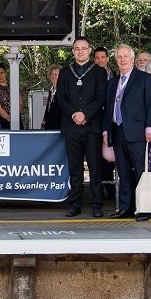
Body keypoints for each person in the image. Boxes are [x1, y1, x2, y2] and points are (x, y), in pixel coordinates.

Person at [103, 44, 151, 222]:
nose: (122, 59)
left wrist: (150, 128)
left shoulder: (144, 79)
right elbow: (107, 109)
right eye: (119, 56)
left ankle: (143, 209)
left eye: (125, 56)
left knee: (140, 172)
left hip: (138, 133)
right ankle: (126, 208)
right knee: (123, 172)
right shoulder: (112, 83)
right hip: (118, 131)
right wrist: (106, 129)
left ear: (133, 59)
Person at [56, 38, 106, 218]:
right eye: (76, 49)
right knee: (75, 168)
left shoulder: (99, 72)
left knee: (95, 167)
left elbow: (101, 97)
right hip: (71, 127)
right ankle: (75, 204)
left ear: (89, 50)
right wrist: (75, 115)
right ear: (72, 51)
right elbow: (60, 98)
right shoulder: (64, 72)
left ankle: (96, 204)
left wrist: (85, 114)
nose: (80, 51)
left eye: (83, 48)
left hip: (91, 127)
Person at [94, 46, 116, 199]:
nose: (100, 60)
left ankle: (110, 187)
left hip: (111, 121)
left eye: (103, 57)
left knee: (110, 155)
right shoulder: (91, 76)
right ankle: (98, 188)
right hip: (95, 120)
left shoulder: (116, 78)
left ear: (107, 59)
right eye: (97, 58)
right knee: (96, 155)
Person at [0, 62, 23, 129]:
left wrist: (15, 116)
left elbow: (20, 103)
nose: (0, 76)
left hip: (16, 119)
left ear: (6, 73)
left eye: (2, 73)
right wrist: (9, 118)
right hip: (1, 121)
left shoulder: (14, 87)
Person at [41, 64, 62, 130]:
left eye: (56, 75)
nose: (53, 76)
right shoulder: (50, 91)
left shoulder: (63, 91)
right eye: (52, 74)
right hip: (49, 125)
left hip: (59, 125)